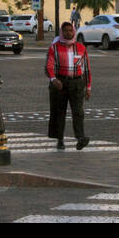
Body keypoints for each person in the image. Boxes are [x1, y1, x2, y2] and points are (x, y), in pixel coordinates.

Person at [45, 20, 91, 150]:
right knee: (59, 112)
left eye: (70, 30)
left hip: (76, 83)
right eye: (65, 31)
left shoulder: (81, 48)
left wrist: (88, 87)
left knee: (78, 112)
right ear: (61, 32)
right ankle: (60, 139)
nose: (68, 33)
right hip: (60, 83)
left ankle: (80, 138)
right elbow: (48, 66)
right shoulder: (54, 47)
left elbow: (87, 69)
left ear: (74, 31)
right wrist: (54, 79)